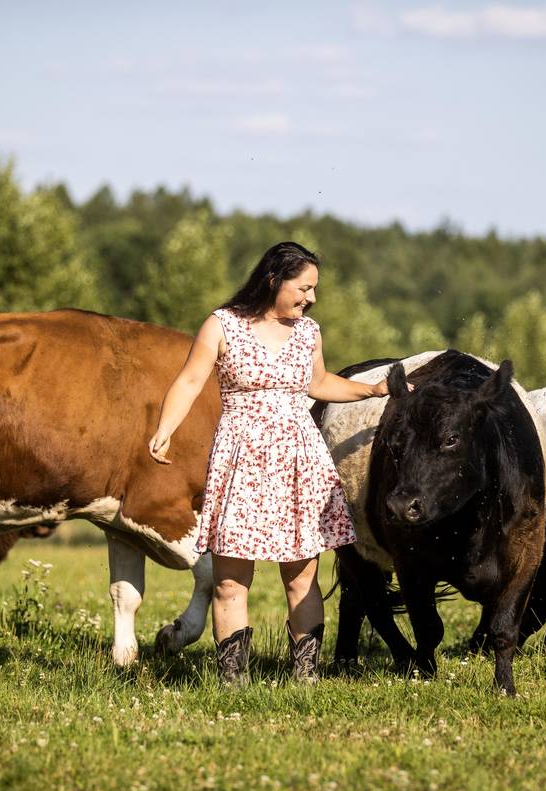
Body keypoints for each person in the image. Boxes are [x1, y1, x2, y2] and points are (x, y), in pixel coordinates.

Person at [149, 242, 397, 685]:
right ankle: (234, 683)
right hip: (240, 460)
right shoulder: (222, 325)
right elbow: (189, 381)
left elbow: (319, 383)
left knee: (301, 578)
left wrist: (373, 390)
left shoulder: (309, 332)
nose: (312, 298)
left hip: (299, 460)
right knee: (230, 581)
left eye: (314, 289)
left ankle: (305, 678)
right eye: (304, 287)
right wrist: (165, 428)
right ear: (273, 281)